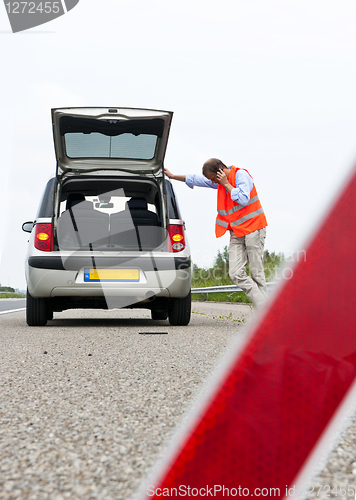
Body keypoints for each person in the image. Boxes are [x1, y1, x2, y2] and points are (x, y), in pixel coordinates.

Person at [164, 158, 268, 308]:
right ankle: (266, 306)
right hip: (237, 232)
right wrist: (173, 176)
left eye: (213, 179)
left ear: (220, 170)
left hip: (254, 229)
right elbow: (196, 179)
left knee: (257, 274)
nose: (212, 182)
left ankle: (265, 314)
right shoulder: (217, 181)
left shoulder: (241, 175)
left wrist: (226, 183)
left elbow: (244, 199)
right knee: (235, 273)